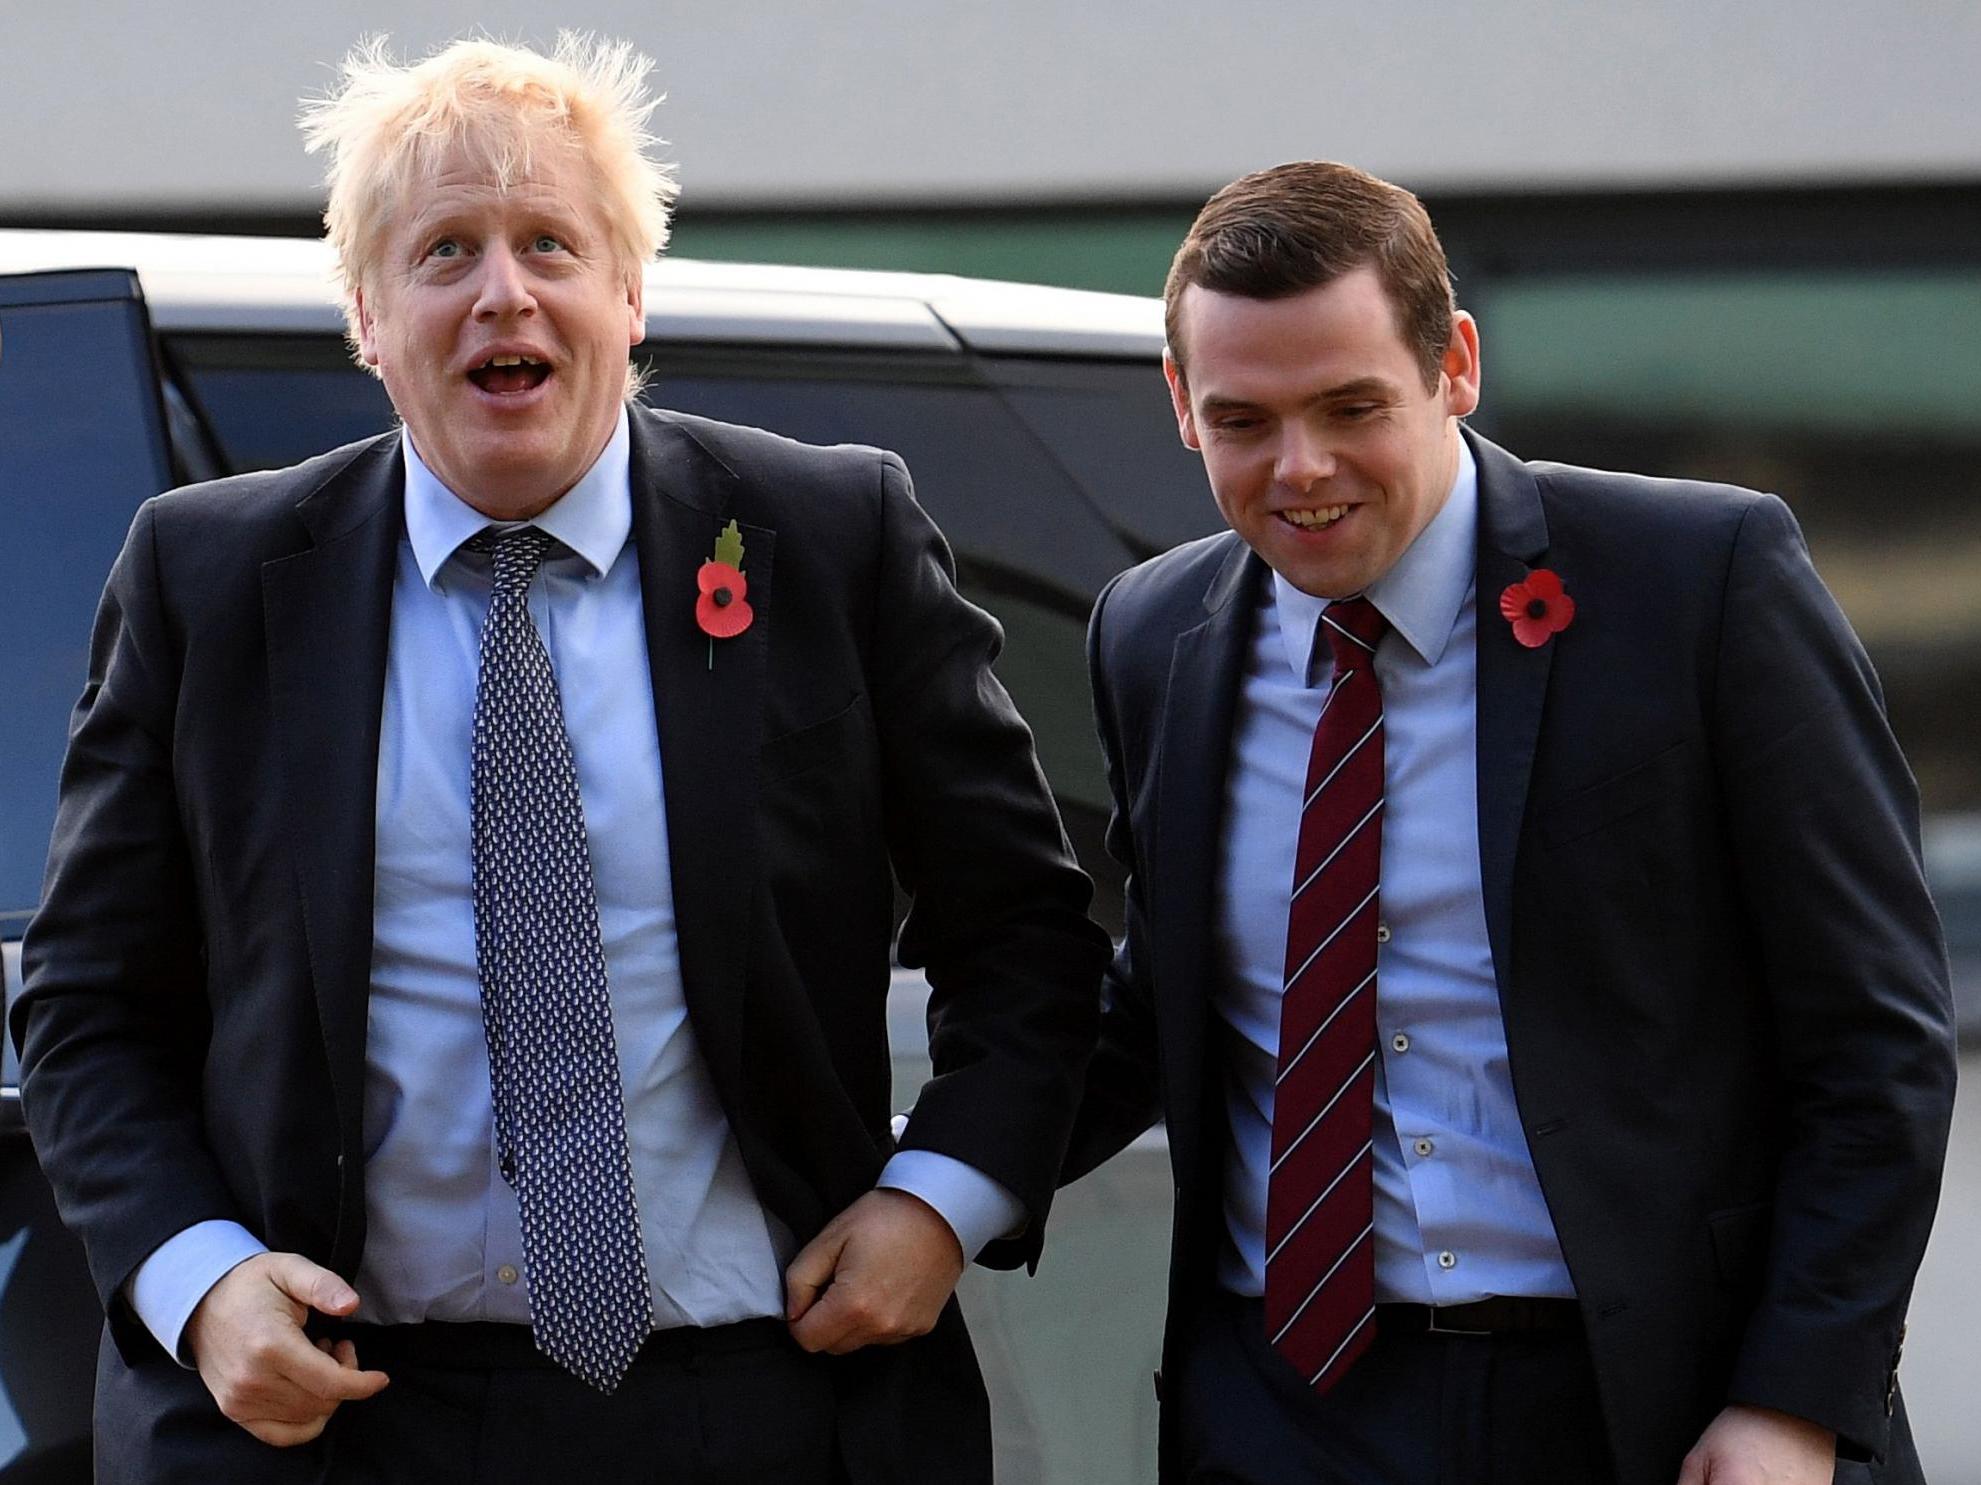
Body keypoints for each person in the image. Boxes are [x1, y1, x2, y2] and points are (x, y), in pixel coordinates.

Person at [11, 34, 1109, 1485]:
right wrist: (200, 1281)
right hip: (333, 1418)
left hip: (762, 1404)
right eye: (443, 252)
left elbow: (1029, 936)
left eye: (549, 243)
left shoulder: (829, 539)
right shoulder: (206, 579)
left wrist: (938, 1200)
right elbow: (87, 1007)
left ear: (630, 292)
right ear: (367, 316)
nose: (501, 292)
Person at [1063, 160, 1956, 1485]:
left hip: (1643, 1408)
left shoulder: (1696, 583)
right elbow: (1154, 1001)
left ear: (1455, 365)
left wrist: (1795, 1399)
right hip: (1281, 1410)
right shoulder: (1150, 634)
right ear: (1181, 407)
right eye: (1244, 419)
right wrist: (922, 1181)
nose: (1298, 470)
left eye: (1349, 407)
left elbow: (1873, 1034)